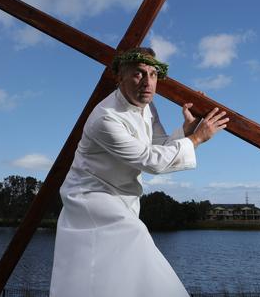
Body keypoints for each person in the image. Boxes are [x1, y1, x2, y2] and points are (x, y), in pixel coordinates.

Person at [49, 47, 229, 297]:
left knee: (112, 273)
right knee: (134, 238)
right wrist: (197, 139)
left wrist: (187, 130)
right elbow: (150, 160)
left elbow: (158, 145)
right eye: (138, 74)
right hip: (90, 196)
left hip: (125, 198)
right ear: (120, 77)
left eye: (153, 74)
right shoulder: (106, 118)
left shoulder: (148, 106)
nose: (147, 82)